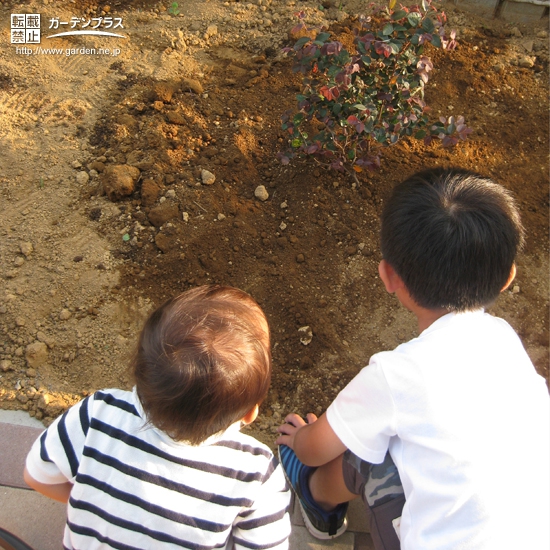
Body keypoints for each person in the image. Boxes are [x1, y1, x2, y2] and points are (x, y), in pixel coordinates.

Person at [276, 168, 550, 549]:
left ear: (389, 277)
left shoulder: (395, 374)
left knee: (370, 452)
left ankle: (317, 503)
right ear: (508, 277)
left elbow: (317, 448)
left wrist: (300, 439)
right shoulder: (505, 341)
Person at [25, 285, 291, 550]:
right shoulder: (255, 473)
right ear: (250, 412)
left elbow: (36, 476)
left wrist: (94, 499)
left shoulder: (98, 414)